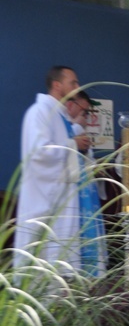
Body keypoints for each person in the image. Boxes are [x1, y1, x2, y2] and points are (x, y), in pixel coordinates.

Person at [15, 66, 91, 271]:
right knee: (42, 261)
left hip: (62, 198)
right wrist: (73, 144)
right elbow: (39, 152)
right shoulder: (39, 112)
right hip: (44, 200)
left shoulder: (59, 116)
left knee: (61, 260)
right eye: (73, 83)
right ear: (57, 85)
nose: (77, 86)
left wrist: (75, 144)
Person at [65, 90, 107, 275]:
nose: (86, 120)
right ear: (70, 106)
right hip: (75, 201)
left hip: (87, 198)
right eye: (84, 114)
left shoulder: (76, 133)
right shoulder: (69, 132)